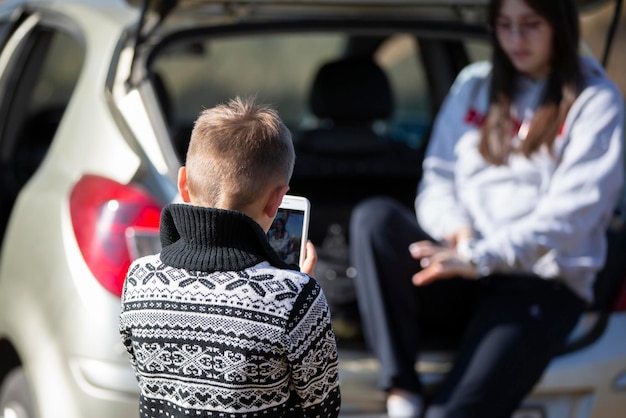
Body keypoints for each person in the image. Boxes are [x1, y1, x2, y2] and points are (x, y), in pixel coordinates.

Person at [350, 0, 624, 417]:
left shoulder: (594, 99)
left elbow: (570, 217)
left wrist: (479, 256)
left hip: (537, 284)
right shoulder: (474, 85)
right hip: (461, 269)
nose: (516, 39)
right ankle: (400, 391)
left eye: (531, 25)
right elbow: (437, 180)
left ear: (559, 25)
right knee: (375, 219)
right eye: (505, 26)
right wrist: (459, 233)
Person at [119, 96, 341, 418]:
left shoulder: (139, 278)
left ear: (183, 183)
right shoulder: (296, 298)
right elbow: (323, 409)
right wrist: (300, 291)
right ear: (278, 199)